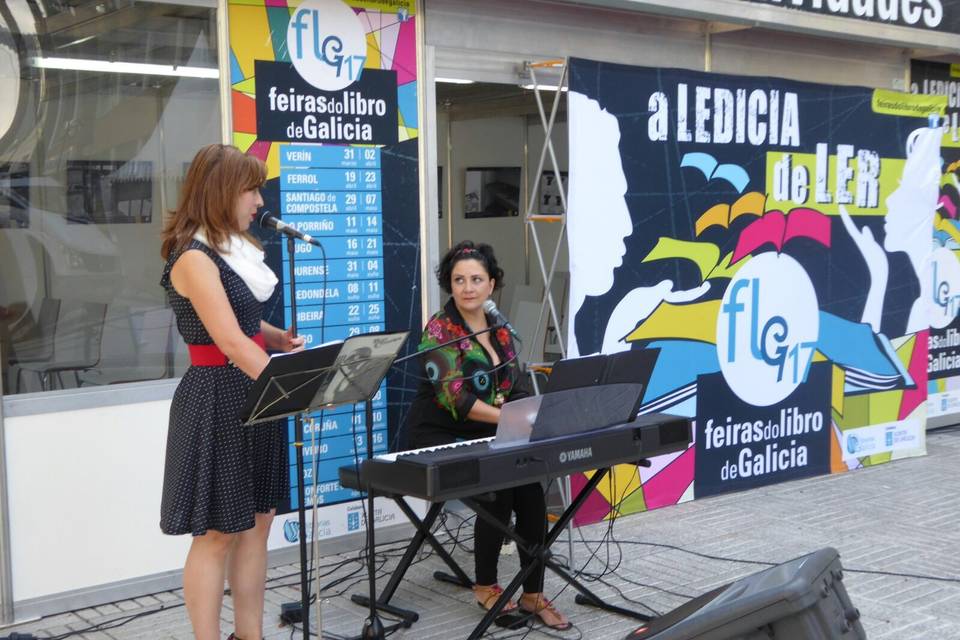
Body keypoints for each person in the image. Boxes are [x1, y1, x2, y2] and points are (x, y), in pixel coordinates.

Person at [158, 143, 304, 640]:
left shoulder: (229, 251)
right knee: (218, 531)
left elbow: (242, 323)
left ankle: (250, 634)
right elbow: (226, 339)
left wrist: (276, 338)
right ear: (223, 193)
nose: (260, 201)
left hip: (251, 390)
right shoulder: (192, 257)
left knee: (258, 524)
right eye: (251, 189)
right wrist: (289, 387)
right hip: (218, 396)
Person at [403, 240, 570, 630]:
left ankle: (532, 593)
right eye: (459, 280)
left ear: (491, 284)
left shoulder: (500, 327)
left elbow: (515, 386)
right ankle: (486, 585)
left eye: (477, 279)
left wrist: (532, 414)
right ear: (449, 285)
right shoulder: (439, 329)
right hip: (441, 434)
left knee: (530, 485)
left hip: (488, 428)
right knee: (498, 485)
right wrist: (510, 420)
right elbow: (456, 400)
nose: (468, 287)